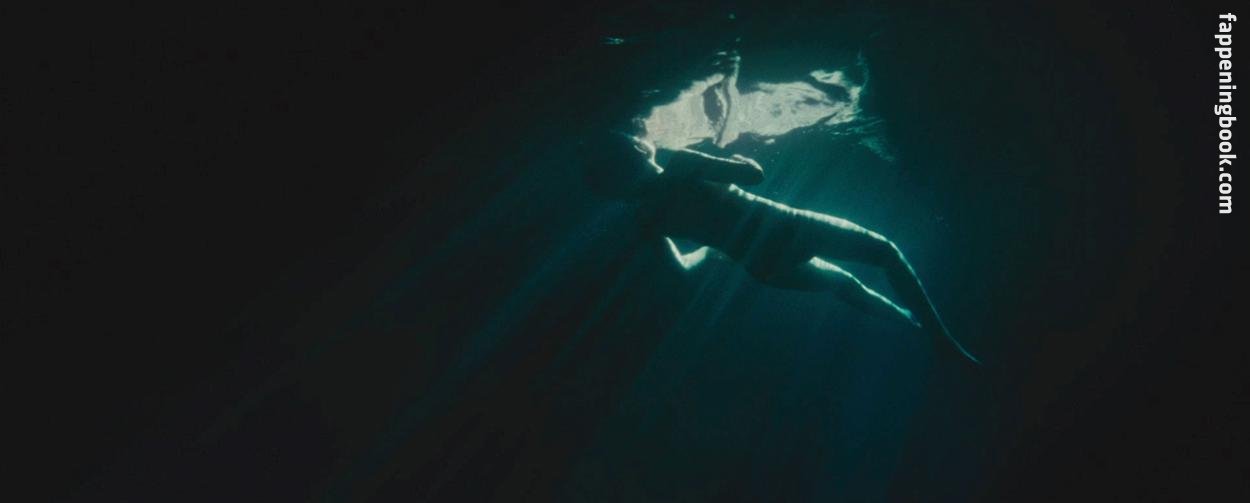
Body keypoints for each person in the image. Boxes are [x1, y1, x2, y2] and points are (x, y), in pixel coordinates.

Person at [581, 52, 980, 365]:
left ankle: (913, 328)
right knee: (884, 252)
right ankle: (942, 338)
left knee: (845, 286)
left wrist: (712, 250)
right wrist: (726, 159)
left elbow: (681, 272)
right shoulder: (682, 164)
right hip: (787, 227)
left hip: (761, 264)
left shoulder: (645, 220)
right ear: (639, 148)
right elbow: (753, 175)